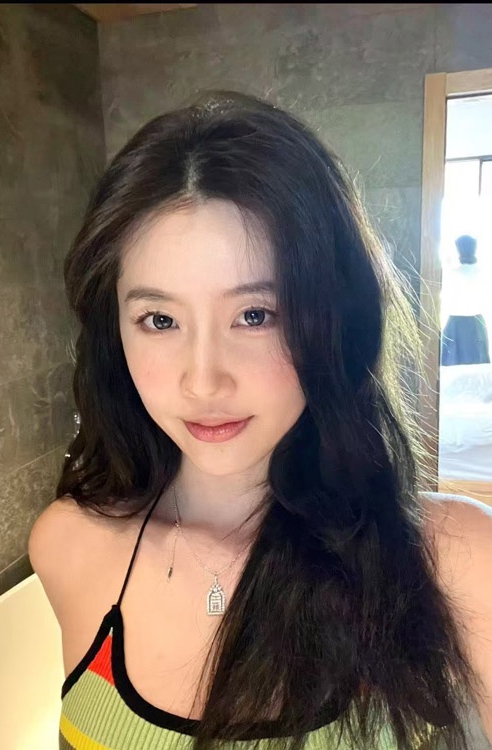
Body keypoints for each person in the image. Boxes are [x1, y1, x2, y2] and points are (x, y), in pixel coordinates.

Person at [29, 91, 492, 750]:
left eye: (255, 315)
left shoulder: (457, 561)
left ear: (332, 321)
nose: (203, 380)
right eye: (159, 320)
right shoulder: (70, 545)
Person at [441, 234, 490, 366]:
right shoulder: (483, 273)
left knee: (452, 367)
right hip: (475, 324)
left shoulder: (453, 274)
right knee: (478, 368)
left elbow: (446, 299)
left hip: (457, 324)